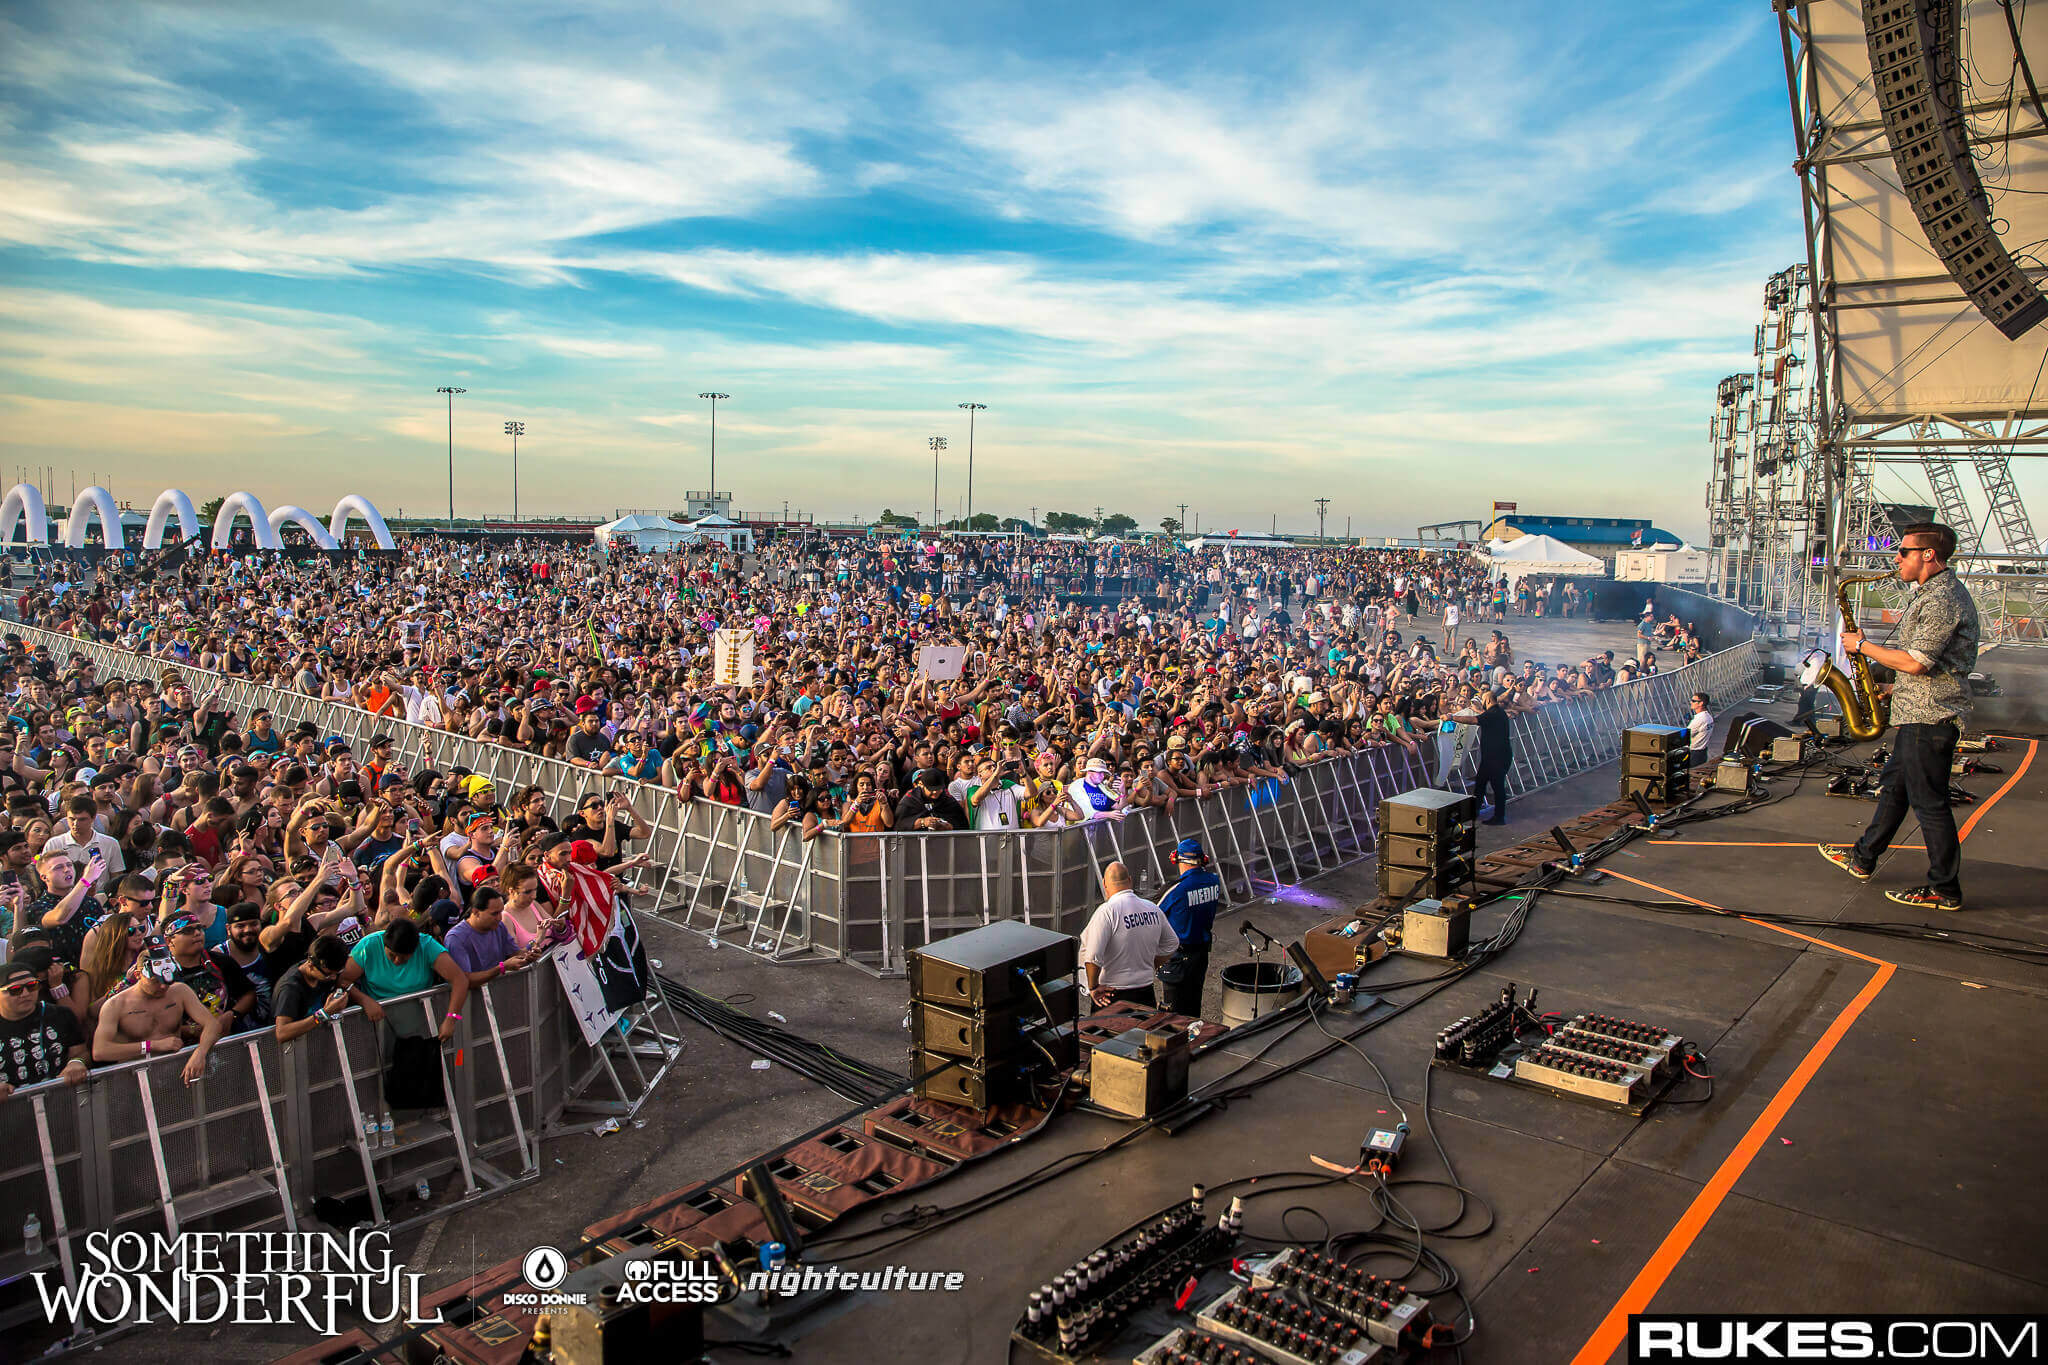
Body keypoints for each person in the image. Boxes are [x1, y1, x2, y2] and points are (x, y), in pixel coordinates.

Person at [1820, 522, 1980, 911]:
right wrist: (1891, 690)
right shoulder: (1930, 595)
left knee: (1929, 804)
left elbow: (1917, 662)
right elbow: (1928, 667)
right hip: (1917, 711)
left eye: (1904, 552)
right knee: (1894, 790)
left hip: (1930, 717)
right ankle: (1863, 858)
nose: (1897, 559)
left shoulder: (1942, 600)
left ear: (1928, 555)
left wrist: (1862, 646)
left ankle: (1944, 889)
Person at [91, 943, 225, 1085]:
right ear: (138, 975)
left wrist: (200, 1053)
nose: (162, 986)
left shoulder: (179, 991)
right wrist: (152, 1045)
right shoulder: (116, 1005)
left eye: (167, 980)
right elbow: (100, 1051)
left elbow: (213, 1024)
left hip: (177, 1075)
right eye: (155, 981)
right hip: (133, 1081)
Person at [1079, 861, 1179, 1008]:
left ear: (1104, 884)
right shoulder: (1152, 909)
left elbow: (1093, 956)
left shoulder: (1107, 911)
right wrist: (1151, 964)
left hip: (1112, 995)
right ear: (1130, 880)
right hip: (1145, 992)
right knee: (1143, 1030)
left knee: (1110, 1031)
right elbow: (1172, 943)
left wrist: (1093, 987)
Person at [0, 957, 90, 1099]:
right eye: (15, 990)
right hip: (9, 1113)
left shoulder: (61, 1014)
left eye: (31, 986)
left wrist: (76, 1063)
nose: (25, 994)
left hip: (60, 1102)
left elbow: (81, 1052)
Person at [1154, 838, 1222, 1017]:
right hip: (1200, 955)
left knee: (1173, 1014)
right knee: (1193, 1007)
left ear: (1179, 860)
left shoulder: (1176, 889)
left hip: (1177, 958)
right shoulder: (1214, 881)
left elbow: (1153, 915)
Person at [1455, 688, 1512, 825]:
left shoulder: (1493, 714)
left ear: (1487, 700)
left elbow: (1474, 720)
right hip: (1493, 757)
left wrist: (1452, 717)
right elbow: (1482, 716)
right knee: (1480, 784)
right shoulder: (1498, 712)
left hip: (1496, 758)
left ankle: (1499, 817)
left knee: (1497, 786)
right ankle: (1474, 812)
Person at [1686, 692, 1714, 764]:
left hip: (1694, 754)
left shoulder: (1699, 720)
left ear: (1701, 703)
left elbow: (1685, 736)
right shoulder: (1709, 717)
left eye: (1693, 701)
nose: (1691, 702)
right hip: (1703, 752)